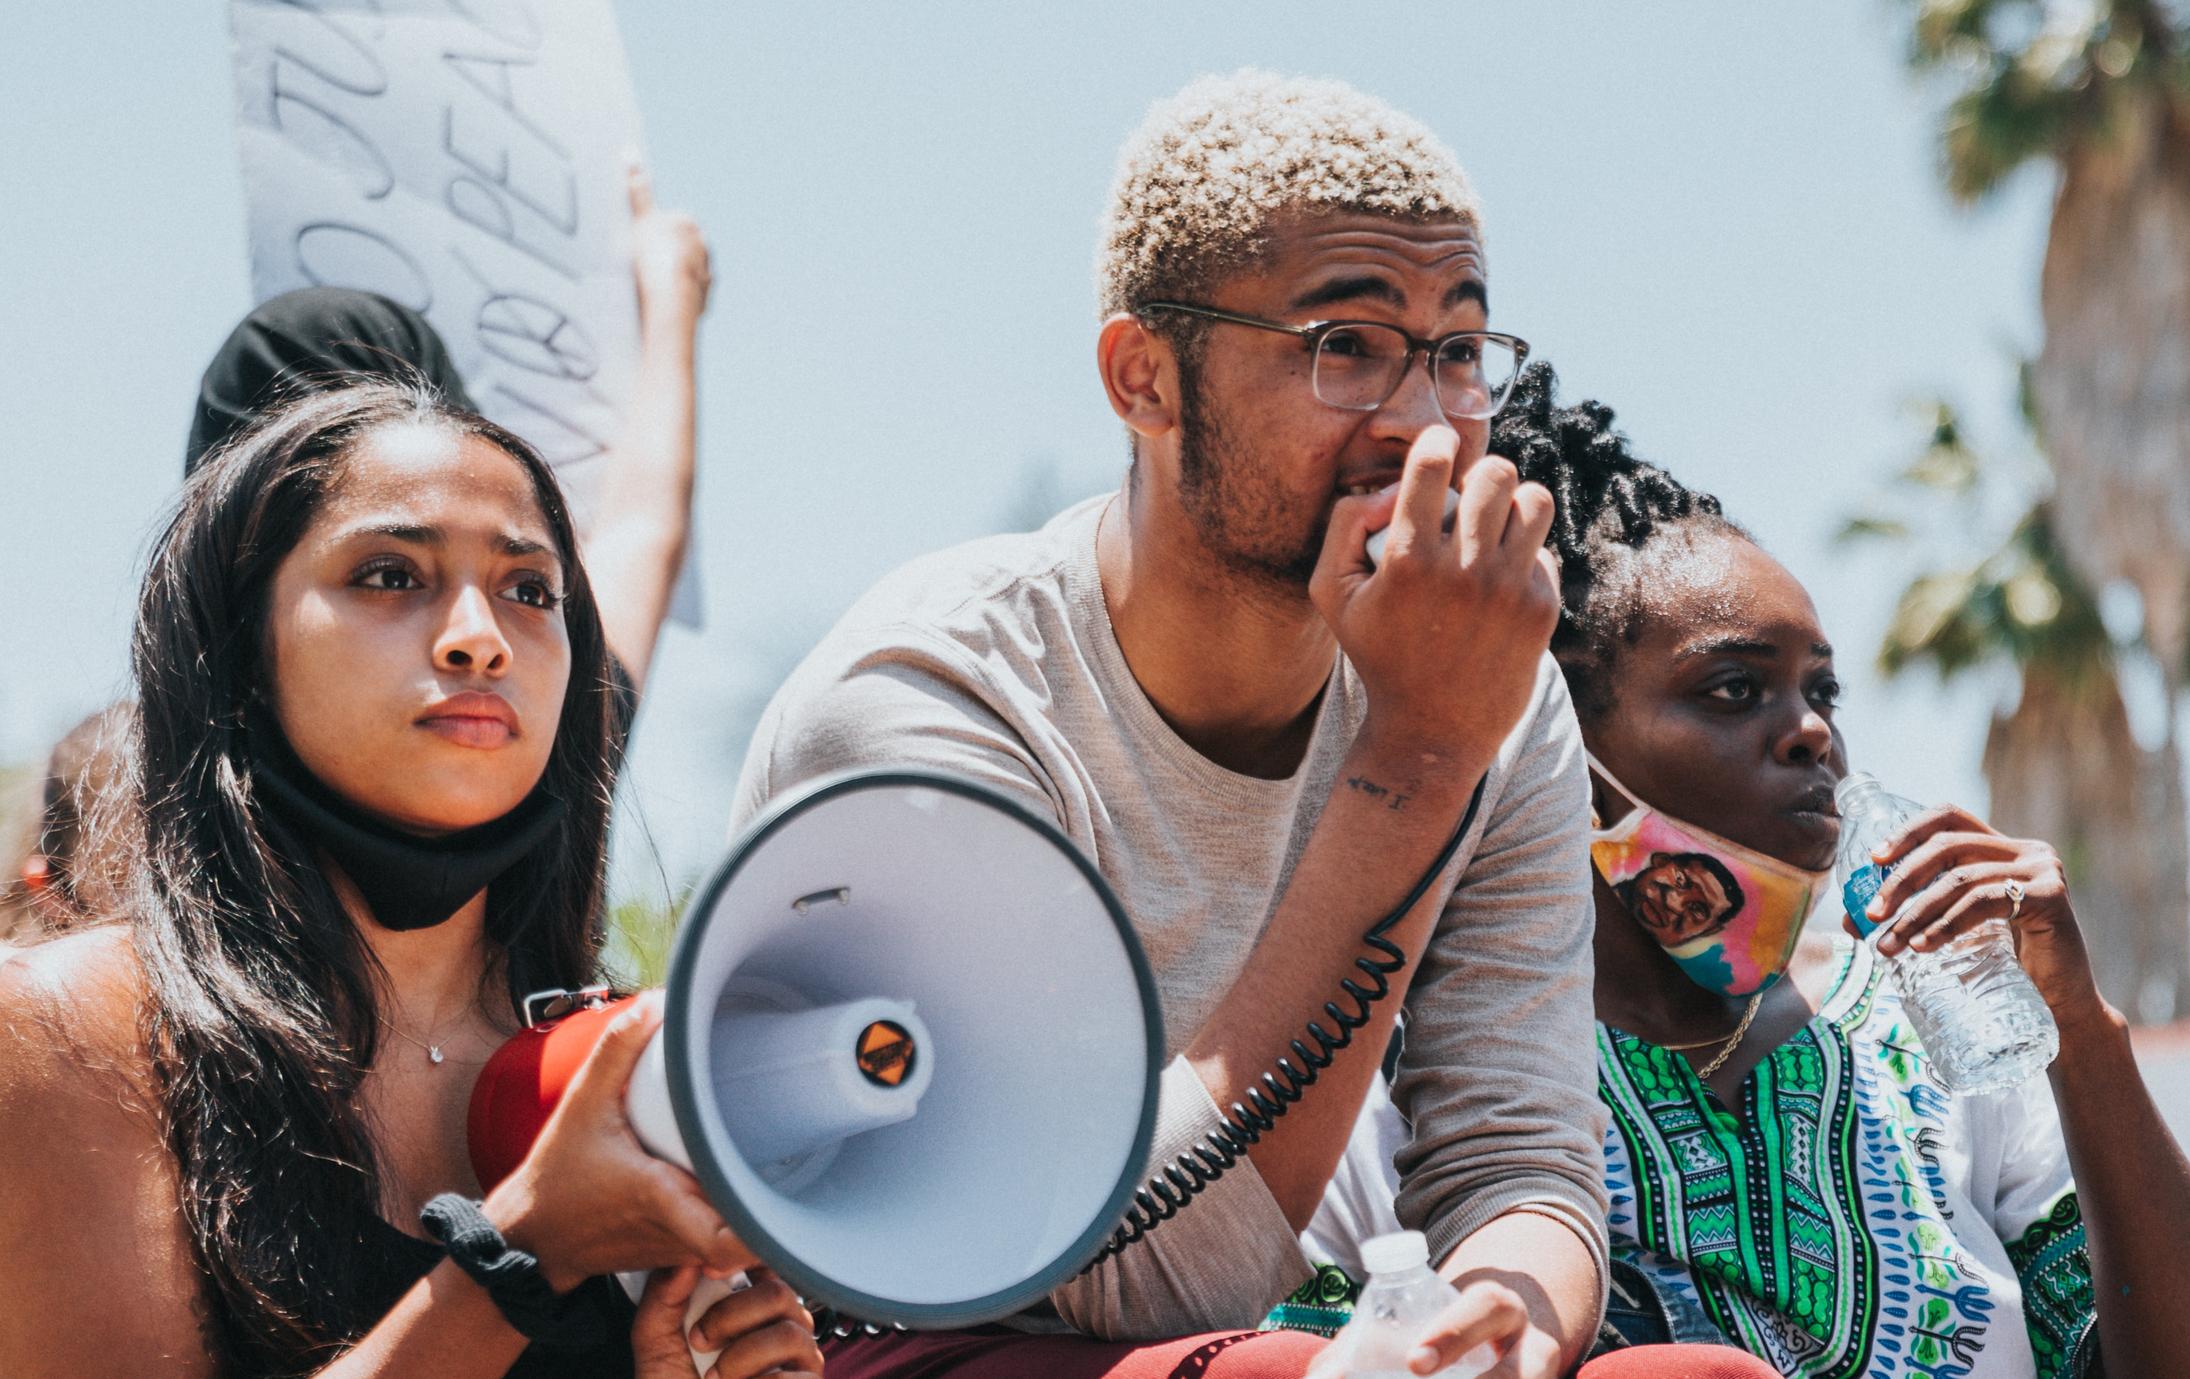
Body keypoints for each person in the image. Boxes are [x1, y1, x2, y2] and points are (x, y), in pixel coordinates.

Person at [735, 71, 1759, 1379]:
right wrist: (1415, 758)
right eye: (1346, 344)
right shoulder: (931, 700)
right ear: (1144, 377)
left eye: (1456, 351)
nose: (1423, 420)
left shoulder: (1490, 694)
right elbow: (1128, 1272)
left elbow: (1520, 1161)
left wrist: (1501, 1331)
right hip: (935, 1338)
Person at [1313, 361, 2190, 1377]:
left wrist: (2082, 1033)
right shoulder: (1428, 1079)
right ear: (1548, 731)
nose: (1813, 731)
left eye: (1825, 689)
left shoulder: (1933, 1037)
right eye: (1735, 689)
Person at [0, 382, 822, 1379]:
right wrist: (525, 1250)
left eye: (531, 589)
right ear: (242, 646)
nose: (480, 634)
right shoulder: (56, 1033)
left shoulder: (618, 1064)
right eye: (391, 574)